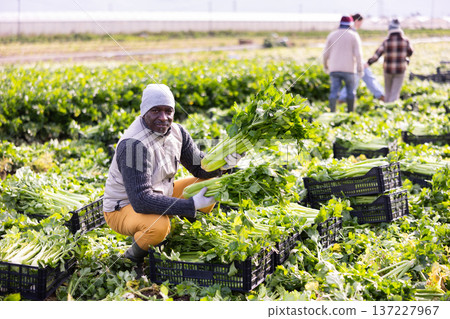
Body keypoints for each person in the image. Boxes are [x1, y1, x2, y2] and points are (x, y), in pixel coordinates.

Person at [103, 83, 242, 264]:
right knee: (158, 227)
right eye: (155, 111)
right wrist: (190, 205)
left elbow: (199, 168)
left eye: (168, 111)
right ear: (144, 112)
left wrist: (225, 164)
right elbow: (141, 200)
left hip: (160, 192)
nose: (163, 118)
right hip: (123, 208)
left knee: (210, 185)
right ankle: (131, 258)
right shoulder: (133, 145)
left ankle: (171, 232)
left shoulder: (177, 132)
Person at [338, 13, 385, 102]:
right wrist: (360, 62)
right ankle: (380, 95)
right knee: (360, 77)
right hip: (353, 60)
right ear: (357, 21)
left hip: (352, 60)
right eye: (360, 22)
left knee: (361, 77)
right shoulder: (352, 32)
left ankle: (380, 95)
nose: (361, 25)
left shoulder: (348, 31)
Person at [323, 15, 364, 112]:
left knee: (334, 91)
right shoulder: (354, 36)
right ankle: (350, 113)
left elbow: (325, 54)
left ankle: (332, 112)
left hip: (334, 69)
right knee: (351, 92)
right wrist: (360, 69)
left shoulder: (332, 35)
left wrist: (326, 66)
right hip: (349, 69)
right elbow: (359, 55)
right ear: (350, 24)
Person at [367, 19, 413, 103]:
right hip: (400, 70)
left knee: (388, 92)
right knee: (395, 92)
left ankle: (386, 107)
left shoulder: (386, 41)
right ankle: (392, 109)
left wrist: (368, 63)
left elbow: (377, 55)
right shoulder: (405, 41)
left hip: (388, 70)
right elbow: (410, 52)